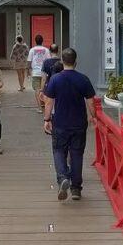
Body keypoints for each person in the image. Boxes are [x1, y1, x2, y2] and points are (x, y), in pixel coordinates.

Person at [42, 48, 96, 201]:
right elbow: (90, 100)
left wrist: (47, 119)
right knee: (77, 154)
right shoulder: (83, 79)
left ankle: (63, 177)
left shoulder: (55, 79)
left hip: (60, 123)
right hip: (79, 123)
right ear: (76, 61)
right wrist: (94, 117)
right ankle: (76, 189)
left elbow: (49, 101)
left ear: (62, 61)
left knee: (59, 151)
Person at [27, 34, 49, 108]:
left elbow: (29, 62)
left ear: (35, 41)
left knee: (37, 89)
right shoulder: (46, 50)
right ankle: (44, 104)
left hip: (35, 72)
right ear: (42, 41)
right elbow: (48, 61)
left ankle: (39, 107)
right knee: (44, 89)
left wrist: (28, 72)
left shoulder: (32, 50)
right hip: (44, 73)